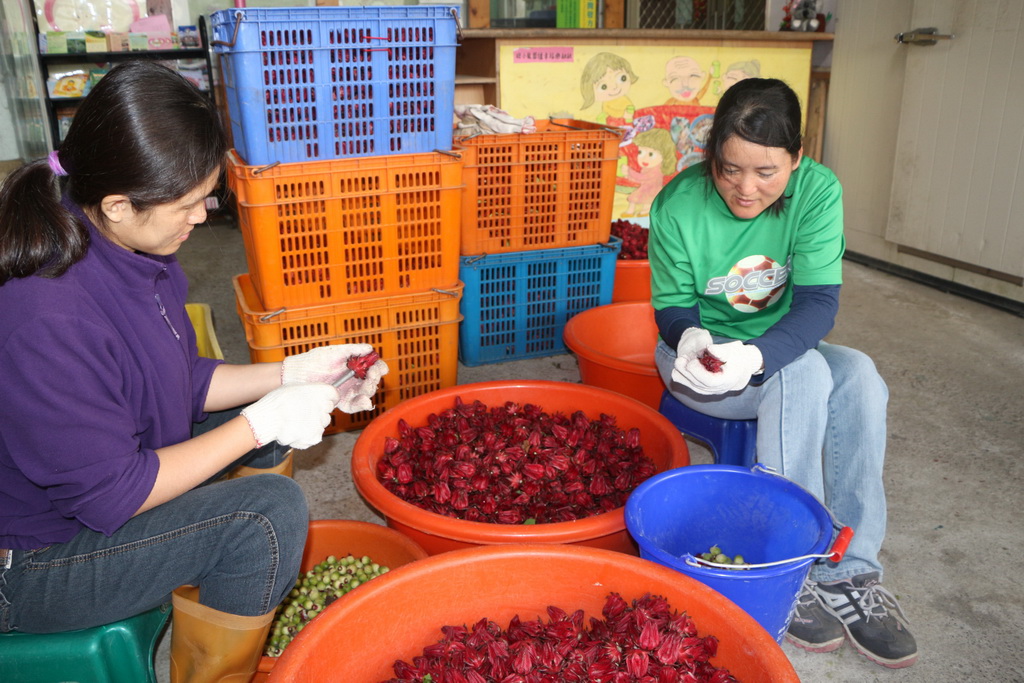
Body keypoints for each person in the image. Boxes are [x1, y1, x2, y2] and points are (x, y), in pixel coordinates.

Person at [0, 61, 387, 683]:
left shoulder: (129, 250)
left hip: (96, 485)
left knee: (268, 429)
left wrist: (291, 375)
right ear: (119, 204)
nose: (203, 216)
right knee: (264, 513)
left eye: (205, 196)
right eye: (186, 203)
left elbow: (175, 377)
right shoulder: (47, 317)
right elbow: (114, 494)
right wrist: (259, 424)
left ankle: (215, 586)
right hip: (30, 563)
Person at [648, 78, 918, 669]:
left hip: (776, 347)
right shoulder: (676, 205)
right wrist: (690, 339)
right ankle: (789, 563)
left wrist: (759, 355)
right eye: (729, 169)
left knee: (861, 375)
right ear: (710, 153)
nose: (747, 189)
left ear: (797, 158)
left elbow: (818, 303)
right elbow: (672, 307)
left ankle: (850, 570)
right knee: (809, 376)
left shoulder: (819, 192)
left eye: (767, 172)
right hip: (700, 365)